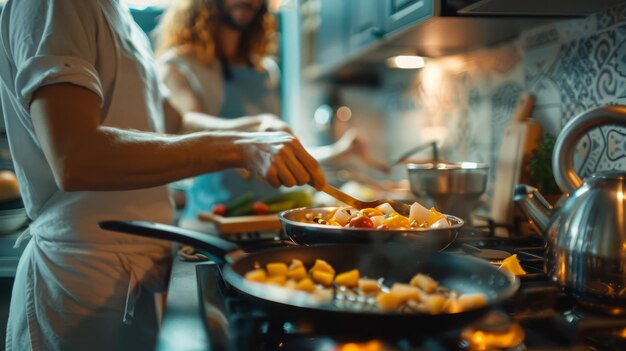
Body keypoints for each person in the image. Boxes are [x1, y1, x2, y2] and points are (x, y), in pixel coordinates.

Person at [0, 0, 325, 350]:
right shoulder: (56, 6)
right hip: (80, 283)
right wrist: (239, 147)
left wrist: (254, 129)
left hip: (130, 278)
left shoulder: (122, 19)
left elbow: (176, 121)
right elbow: (75, 156)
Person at [155, 0, 388, 219]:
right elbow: (186, 122)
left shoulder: (265, 70)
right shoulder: (179, 64)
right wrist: (258, 125)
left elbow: (275, 149)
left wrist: (338, 151)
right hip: (215, 219)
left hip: (268, 219)